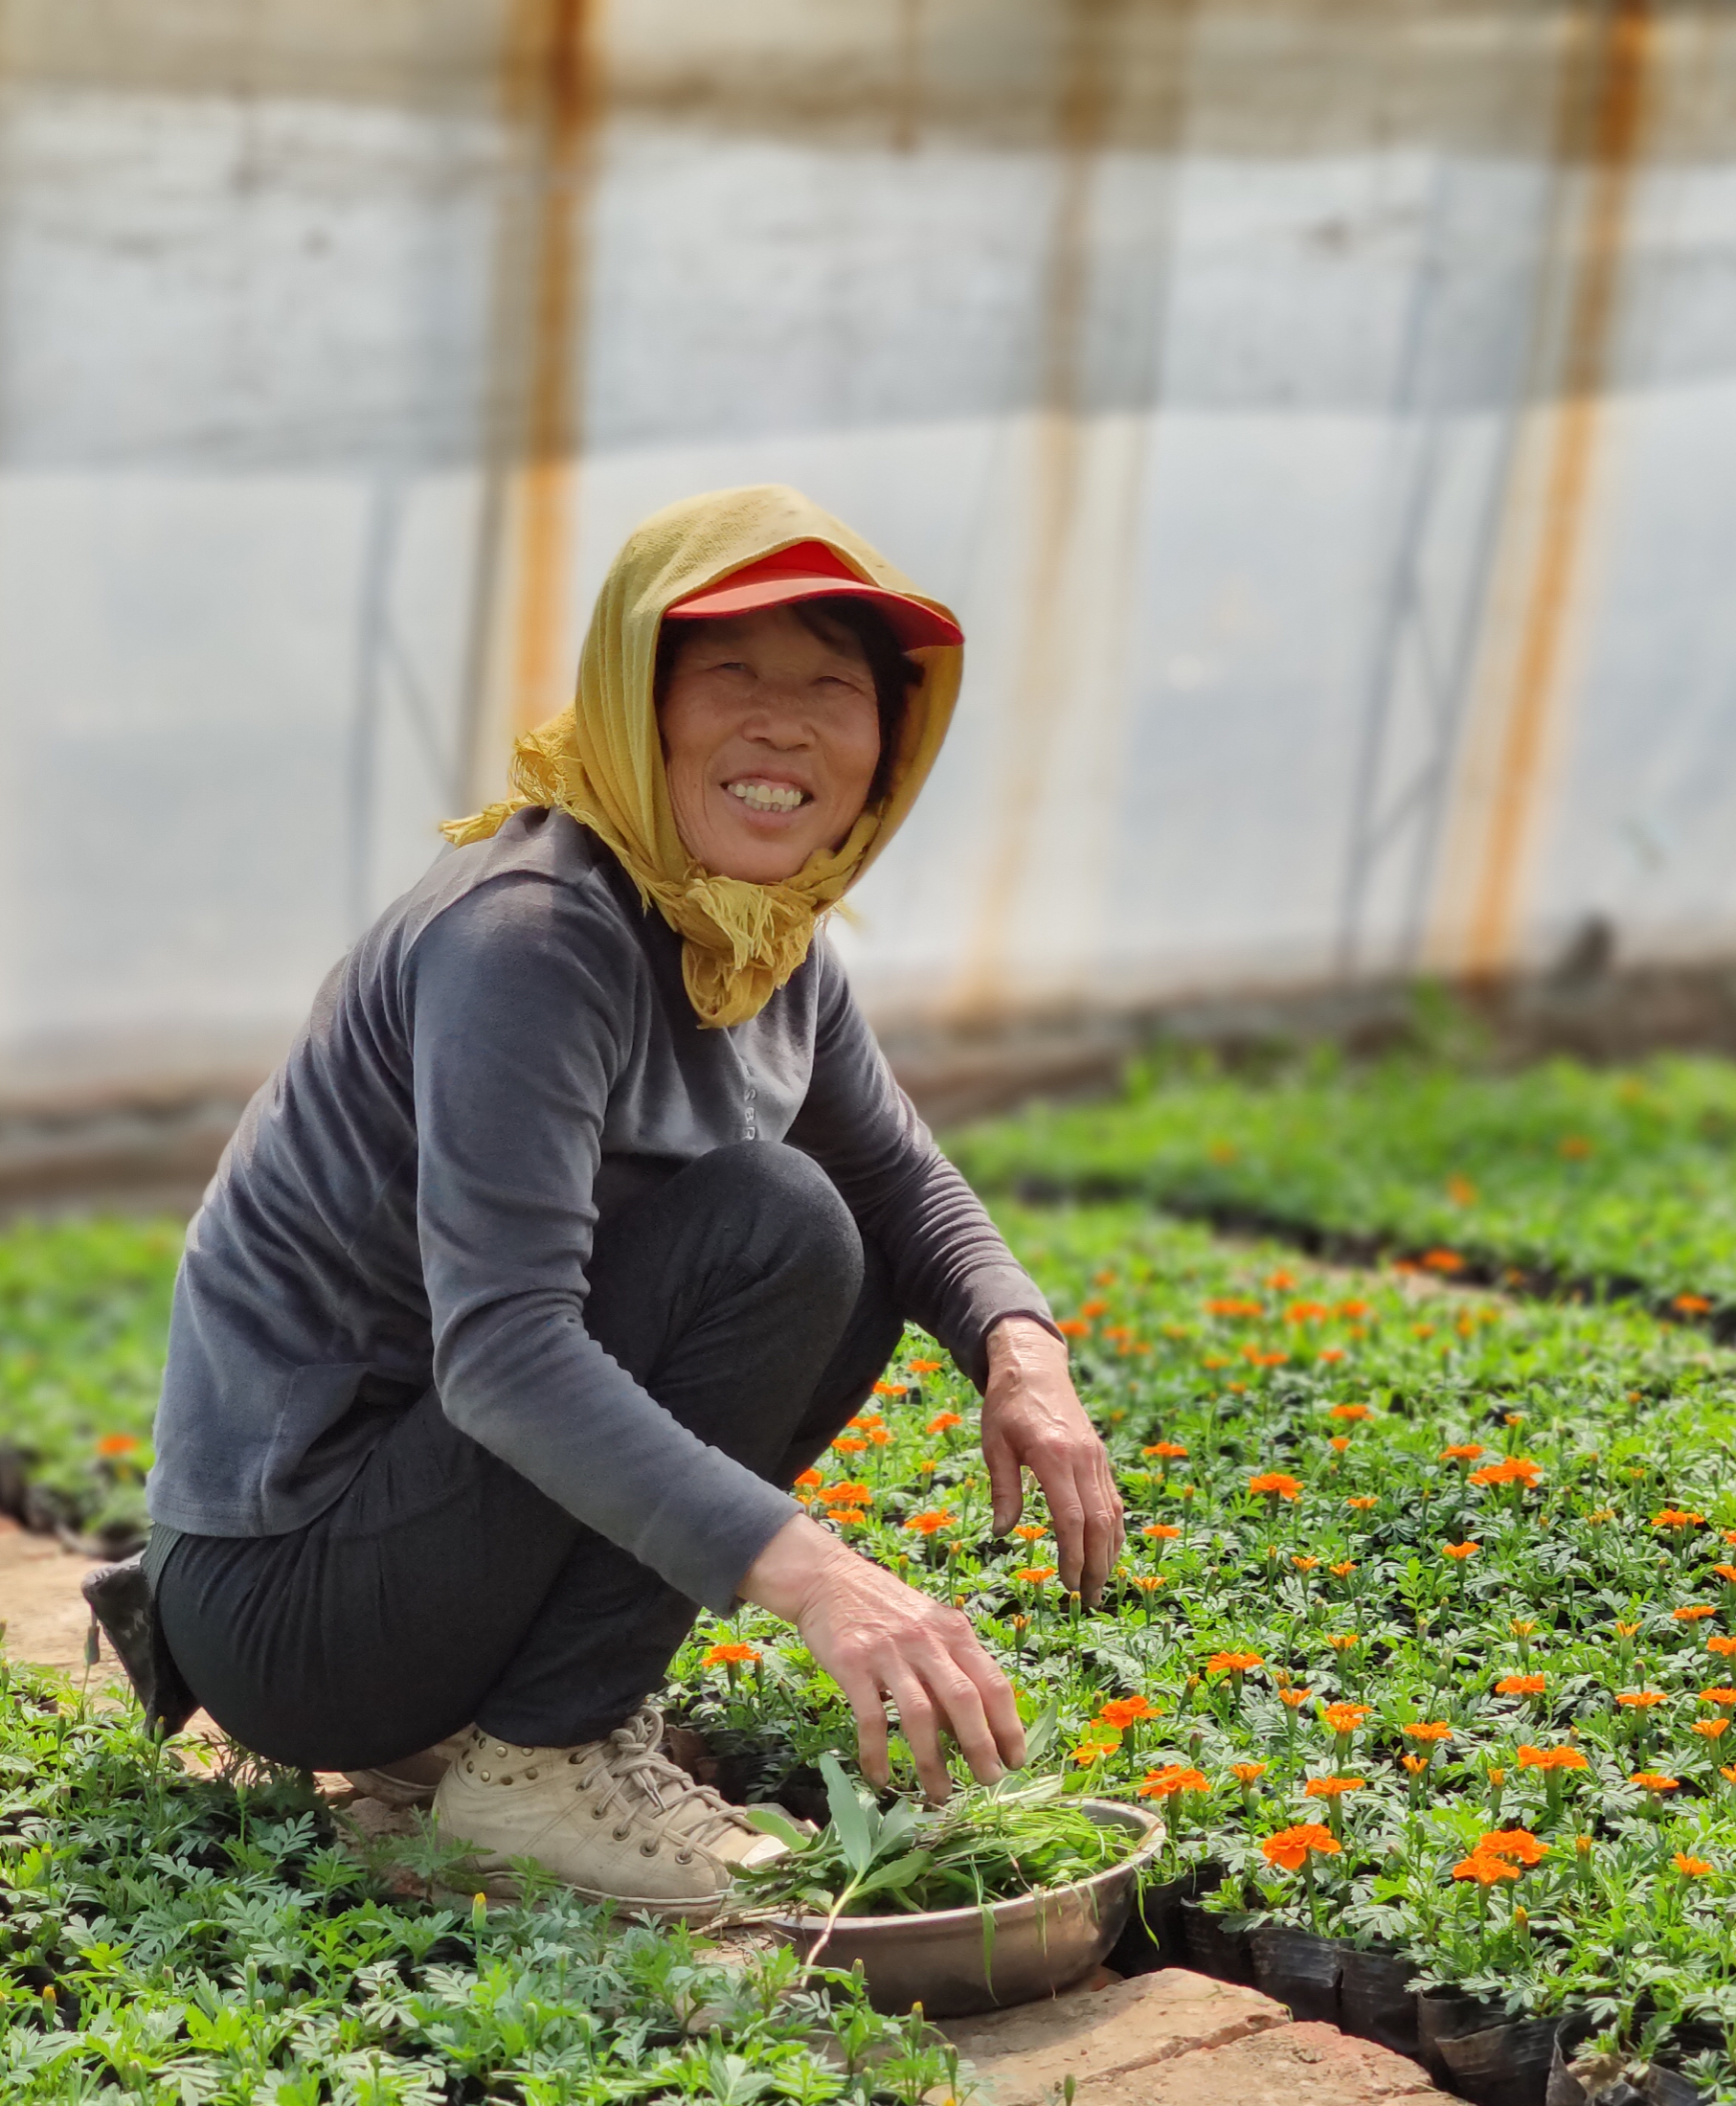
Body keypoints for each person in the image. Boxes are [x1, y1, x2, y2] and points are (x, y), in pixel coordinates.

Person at [87, 485, 1124, 1921]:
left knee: (841, 1219)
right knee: (774, 1217)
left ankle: (485, 1728)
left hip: (405, 1556)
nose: (783, 724)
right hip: (293, 1597)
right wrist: (826, 1580)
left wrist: (1023, 1346)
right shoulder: (533, 932)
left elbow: (900, 1174)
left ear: (892, 736)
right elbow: (504, 1350)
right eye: (730, 677)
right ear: (638, 700)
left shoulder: (756, 934)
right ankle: (541, 1759)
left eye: (832, 685)